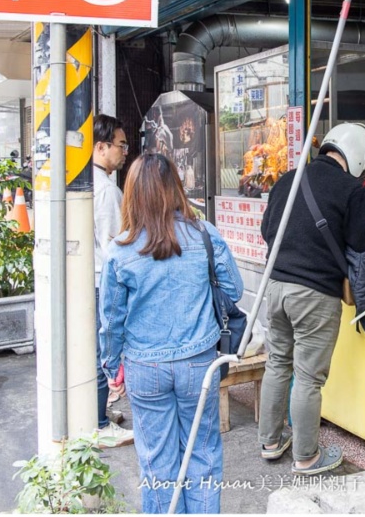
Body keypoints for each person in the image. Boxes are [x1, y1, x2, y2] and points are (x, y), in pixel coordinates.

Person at [99, 152, 242, 514]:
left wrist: (110, 365)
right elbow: (235, 289)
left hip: (145, 366)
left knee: (156, 460)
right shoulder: (203, 233)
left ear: (132, 193)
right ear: (175, 187)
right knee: (203, 454)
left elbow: (112, 320)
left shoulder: (120, 249)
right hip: (199, 362)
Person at [257, 123, 365, 475]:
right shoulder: (350, 189)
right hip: (314, 294)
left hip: (276, 286)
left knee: (278, 363)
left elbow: (268, 230)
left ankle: (270, 442)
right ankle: (307, 455)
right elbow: (364, 241)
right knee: (308, 377)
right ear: (358, 156)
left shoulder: (287, 180)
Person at [91, 114, 133, 447]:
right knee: (101, 351)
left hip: (91, 279)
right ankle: (101, 422)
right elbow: (114, 249)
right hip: (99, 281)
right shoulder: (105, 190)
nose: (124, 152)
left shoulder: (91, 182)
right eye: (120, 145)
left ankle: (99, 413)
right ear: (101, 147)